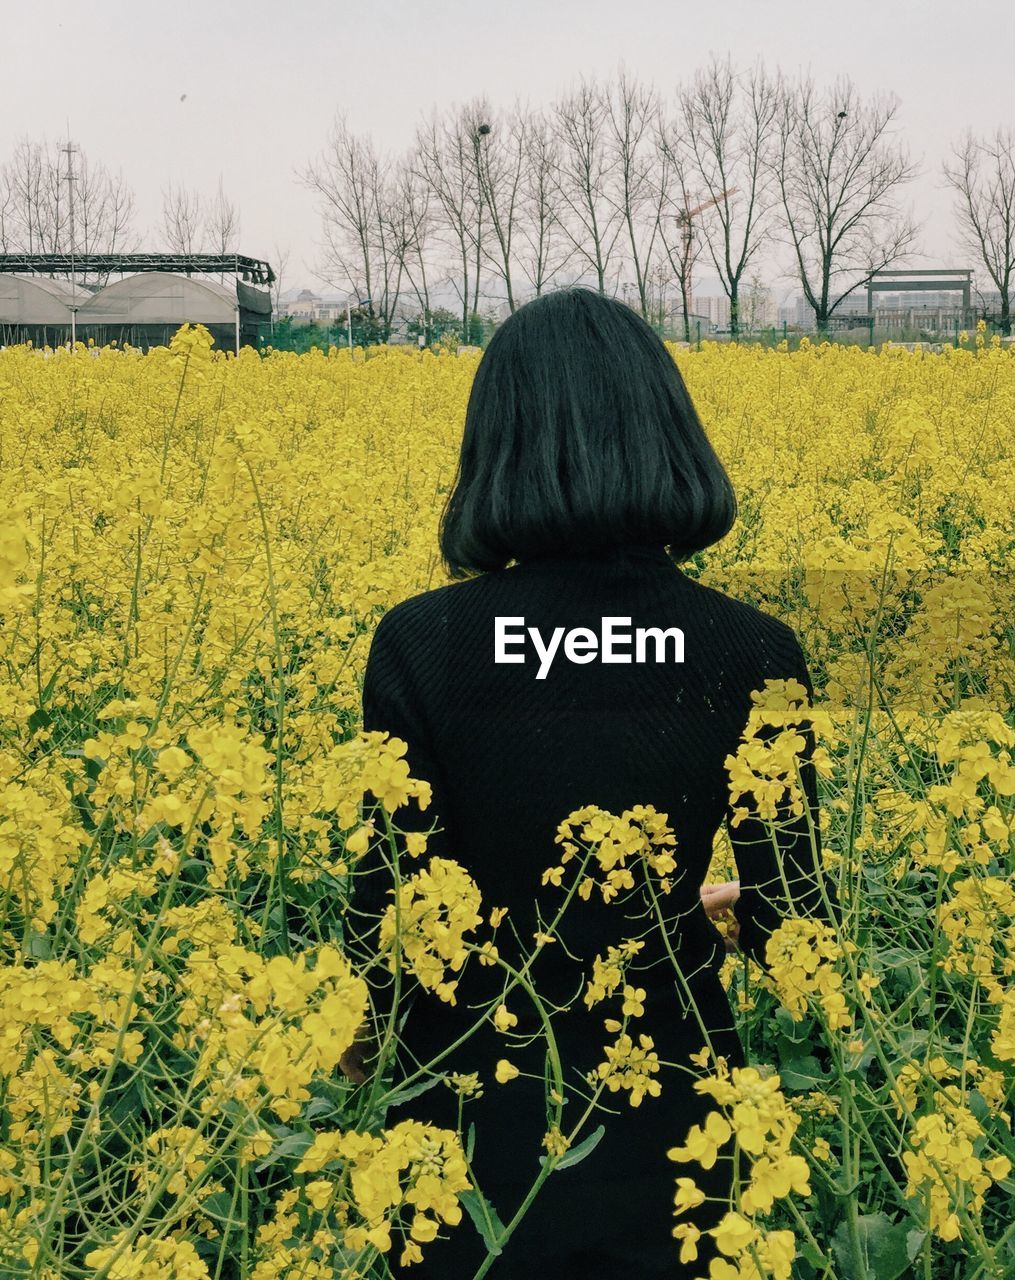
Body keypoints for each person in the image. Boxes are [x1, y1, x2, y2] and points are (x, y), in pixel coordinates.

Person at [341, 287, 826, 1279]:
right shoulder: (753, 651)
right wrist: (698, 905)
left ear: (496, 450)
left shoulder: (421, 645)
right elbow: (792, 929)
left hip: (468, 1160)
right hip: (681, 1146)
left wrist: (341, 1034)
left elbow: (389, 919)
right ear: (665, 435)